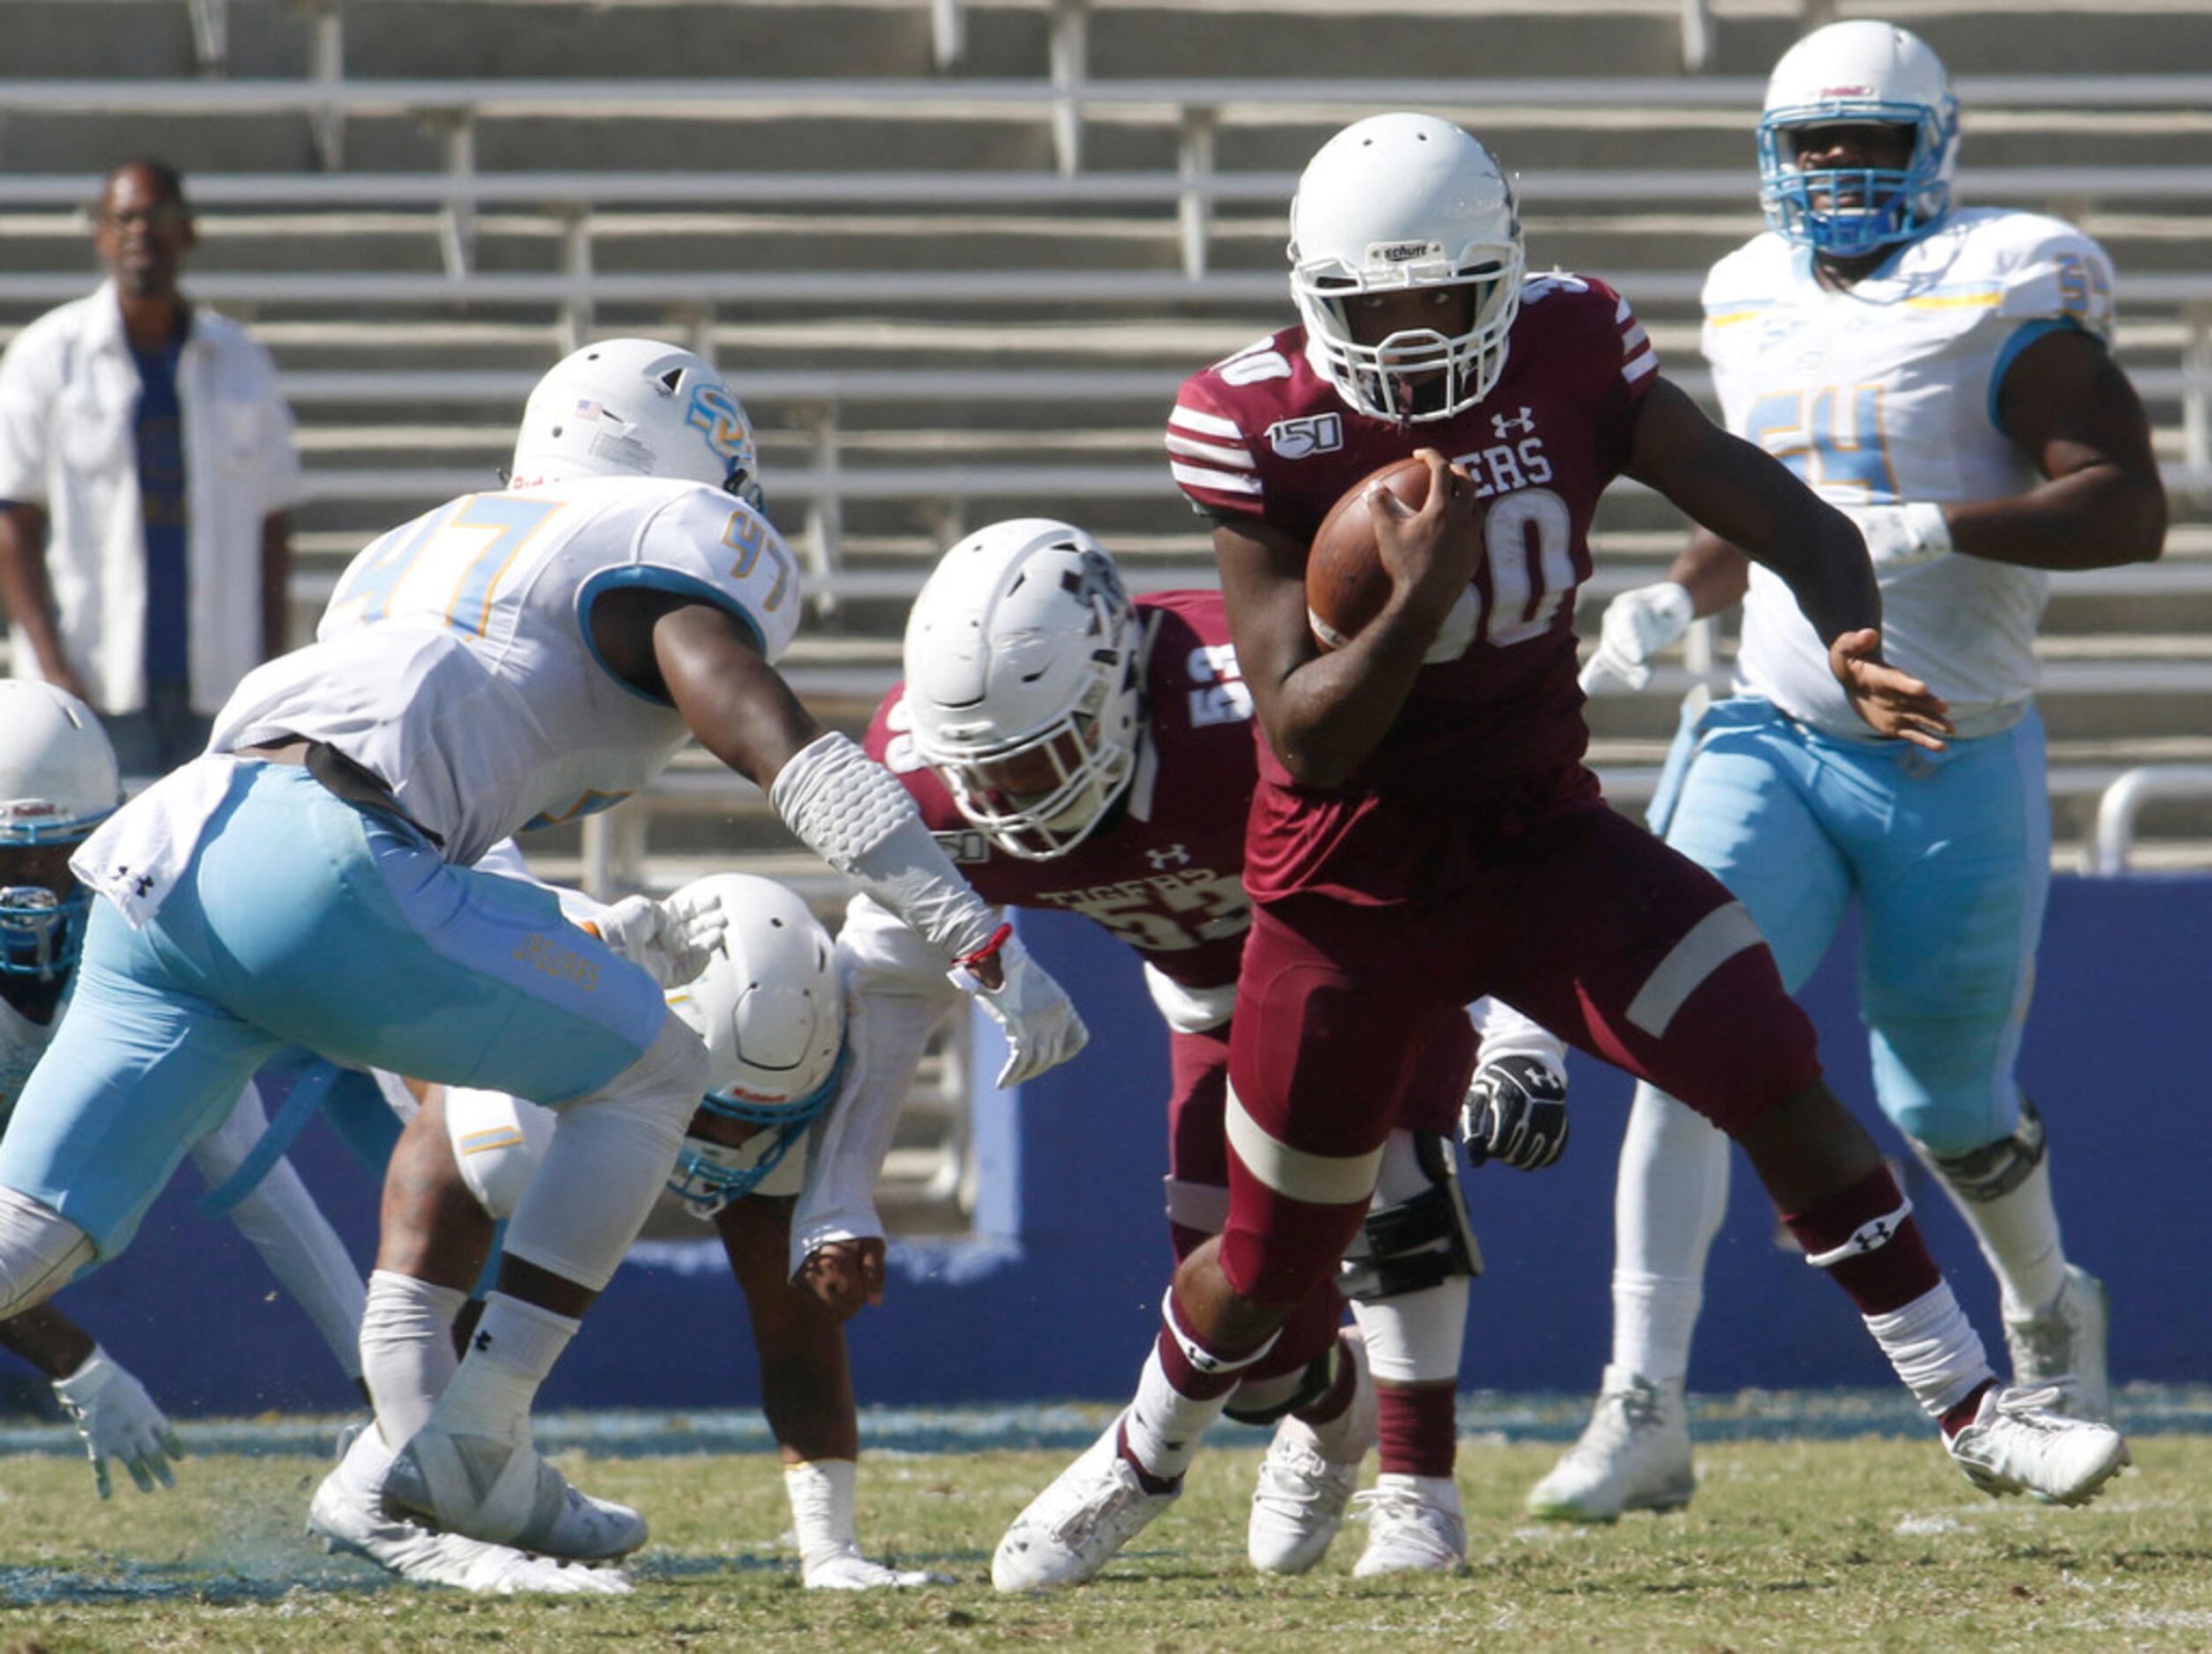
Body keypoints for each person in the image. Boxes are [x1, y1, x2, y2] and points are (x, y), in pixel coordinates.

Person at [992, 111, 2129, 1593]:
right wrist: (1413, 601)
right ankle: (1138, 1456)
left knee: (1768, 1062)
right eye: (1371, 305)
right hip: (1348, 886)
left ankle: (1979, 1408)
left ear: (1504, 274)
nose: (1406, 337)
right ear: (1310, 293)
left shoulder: (1575, 344)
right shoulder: (1253, 416)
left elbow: (1780, 509)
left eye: (1440, 298)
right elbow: (1306, 735)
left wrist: (1848, 626)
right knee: (1272, 1263)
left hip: (1541, 837)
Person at [0, 336, 1086, 1564]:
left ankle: (469, 1457)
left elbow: (459, 821)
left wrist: (576, 933)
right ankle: (475, 1441)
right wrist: (974, 931)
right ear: (667, 454)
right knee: (657, 1068)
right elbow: (766, 733)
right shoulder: (665, 540)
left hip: (175, 846)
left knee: (29, 1227)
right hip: (333, 858)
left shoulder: (409, 555)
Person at [1527, 19, 2166, 1523]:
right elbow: (1753, 485)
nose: (1836, 170)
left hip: (1953, 747)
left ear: (1930, 149)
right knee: (1678, 1045)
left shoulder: (2009, 287)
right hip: (1769, 727)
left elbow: (2127, 506)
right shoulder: (1748, 292)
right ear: (1768, 152)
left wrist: (1938, 524)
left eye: (1867, 142)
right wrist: (1673, 598)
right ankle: (1645, 1403)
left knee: (1946, 1103)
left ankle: (2046, 1310)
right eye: (1812, 144)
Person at [817, 516, 1571, 1576]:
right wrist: (843, 1191)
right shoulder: (936, 790)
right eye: (990, 770)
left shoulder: (1247, 700)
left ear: (1120, 686)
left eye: (1045, 756)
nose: (1015, 799)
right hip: (1214, 998)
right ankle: (1334, 1405)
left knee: (1390, 1175)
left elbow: (1475, 835)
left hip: (1367, 952)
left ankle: (1419, 1494)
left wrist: (1522, 1030)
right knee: (1253, 1348)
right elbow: (890, 980)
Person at [314, 866, 941, 1593]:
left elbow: (794, 1339)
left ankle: (449, 1484)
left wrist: (830, 1551)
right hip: (338, 1009)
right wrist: (473, 1545)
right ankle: (401, 1501)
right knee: (480, 1248)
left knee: (501, 1274)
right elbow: (408, 1305)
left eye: (760, 1122)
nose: (727, 1148)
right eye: (709, 1118)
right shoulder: (529, 1073)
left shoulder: (769, 1098)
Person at [0, 678, 372, 1498]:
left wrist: (387, 1397)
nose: (29, 885)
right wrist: (78, 1363)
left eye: (52, 853)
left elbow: (268, 1199)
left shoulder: (149, 971)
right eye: (4, 859)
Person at [0, 159, 298, 776]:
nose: (142, 233)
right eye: (125, 217)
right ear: (101, 234)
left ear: (188, 232)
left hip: (218, 681)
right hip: (94, 682)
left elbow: (273, 522)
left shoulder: (240, 359)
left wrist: (269, 664)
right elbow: (12, 522)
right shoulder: (46, 356)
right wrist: (54, 670)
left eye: (158, 217)